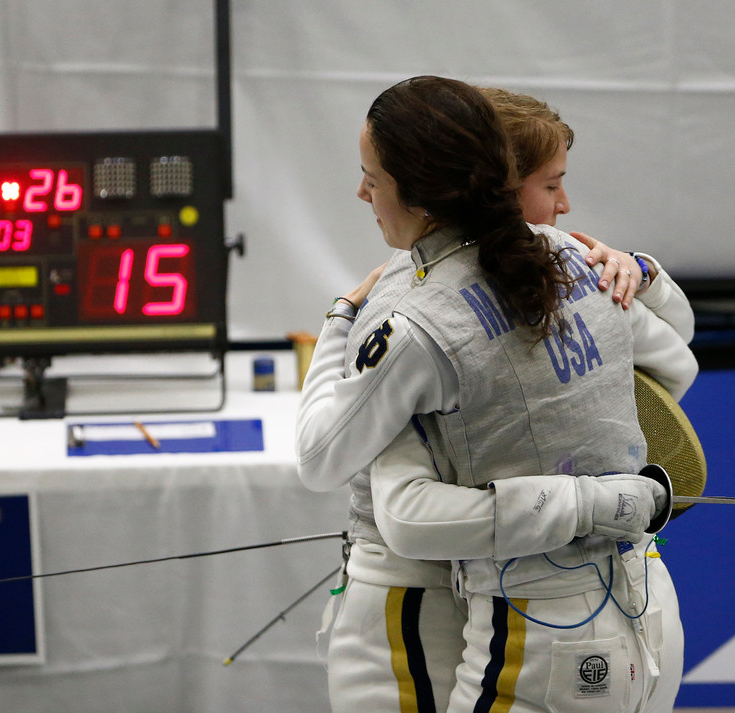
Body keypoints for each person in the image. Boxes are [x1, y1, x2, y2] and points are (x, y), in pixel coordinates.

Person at [296, 77, 697, 713]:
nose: (362, 192)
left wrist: (344, 314)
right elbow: (675, 366)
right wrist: (643, 273)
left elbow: (333, 466)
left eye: (371, 175)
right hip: (641, 593)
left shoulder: (414, 317)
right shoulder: (568, 258)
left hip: (502, 614)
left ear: (423, 189)